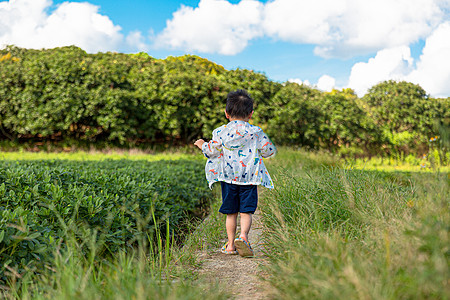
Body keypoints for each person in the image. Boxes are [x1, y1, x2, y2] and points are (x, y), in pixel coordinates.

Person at [194, 89, 276, 257]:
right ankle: (244, 237)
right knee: (246, 211)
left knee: (231, 212)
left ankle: (230, 245)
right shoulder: (256, 132)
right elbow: (268, 151)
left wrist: (202, 144)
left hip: (229, 178)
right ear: (251, 113)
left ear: (226, 113)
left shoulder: (220, 132)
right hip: (250, 177)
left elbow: (212, 152)